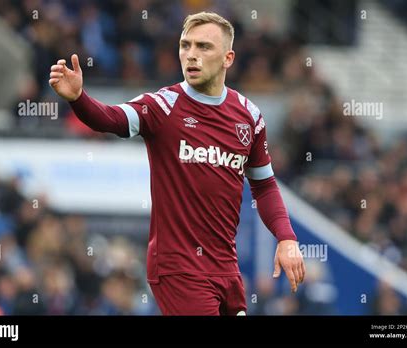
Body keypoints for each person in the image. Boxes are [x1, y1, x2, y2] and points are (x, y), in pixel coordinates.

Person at [49, 12, 305, 315]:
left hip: (226, 268)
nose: (192, 55)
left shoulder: (249, 116)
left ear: (228, 58)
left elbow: (264, 186)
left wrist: (287, 238)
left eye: (204, 47)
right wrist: (79, 98)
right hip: (178, 267)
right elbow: (111, 119)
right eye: (186, 45)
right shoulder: (163, 106)